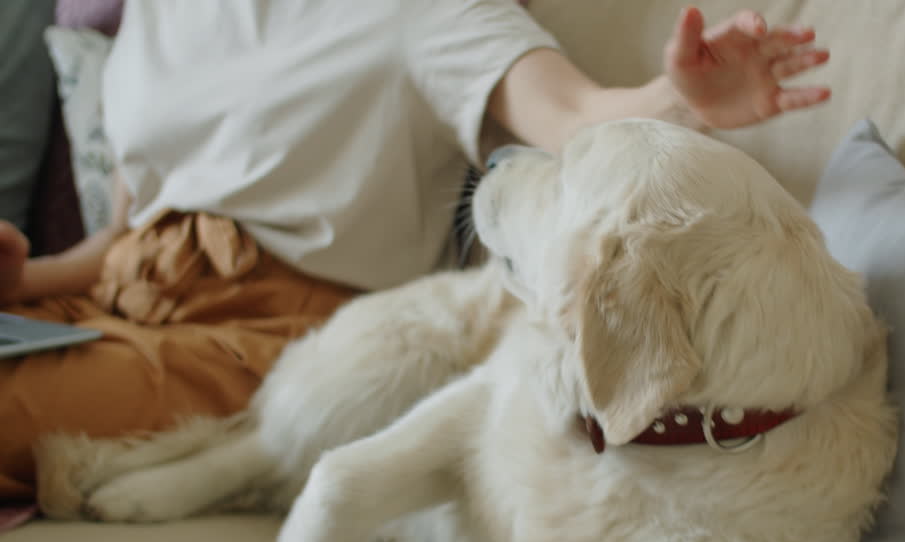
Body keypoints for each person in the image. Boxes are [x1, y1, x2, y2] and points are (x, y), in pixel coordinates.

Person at [0, 0, 831, 513]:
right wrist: (26, 280)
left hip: (277, 339)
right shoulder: (158, 13)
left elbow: (578, 117)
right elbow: (124, 238)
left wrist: (677, 99)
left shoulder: (428, 12)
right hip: (108, 306)